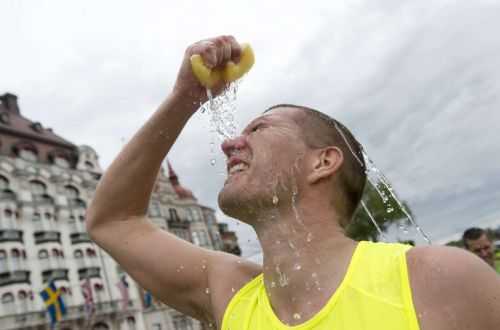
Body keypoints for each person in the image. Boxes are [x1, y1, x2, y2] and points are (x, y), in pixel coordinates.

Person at [87, 36, 500, 329]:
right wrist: (184, 99)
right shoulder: (231, 292)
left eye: (260, 128)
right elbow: (112, 221)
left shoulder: (435, 279)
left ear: (322, 162)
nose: (232, 143)